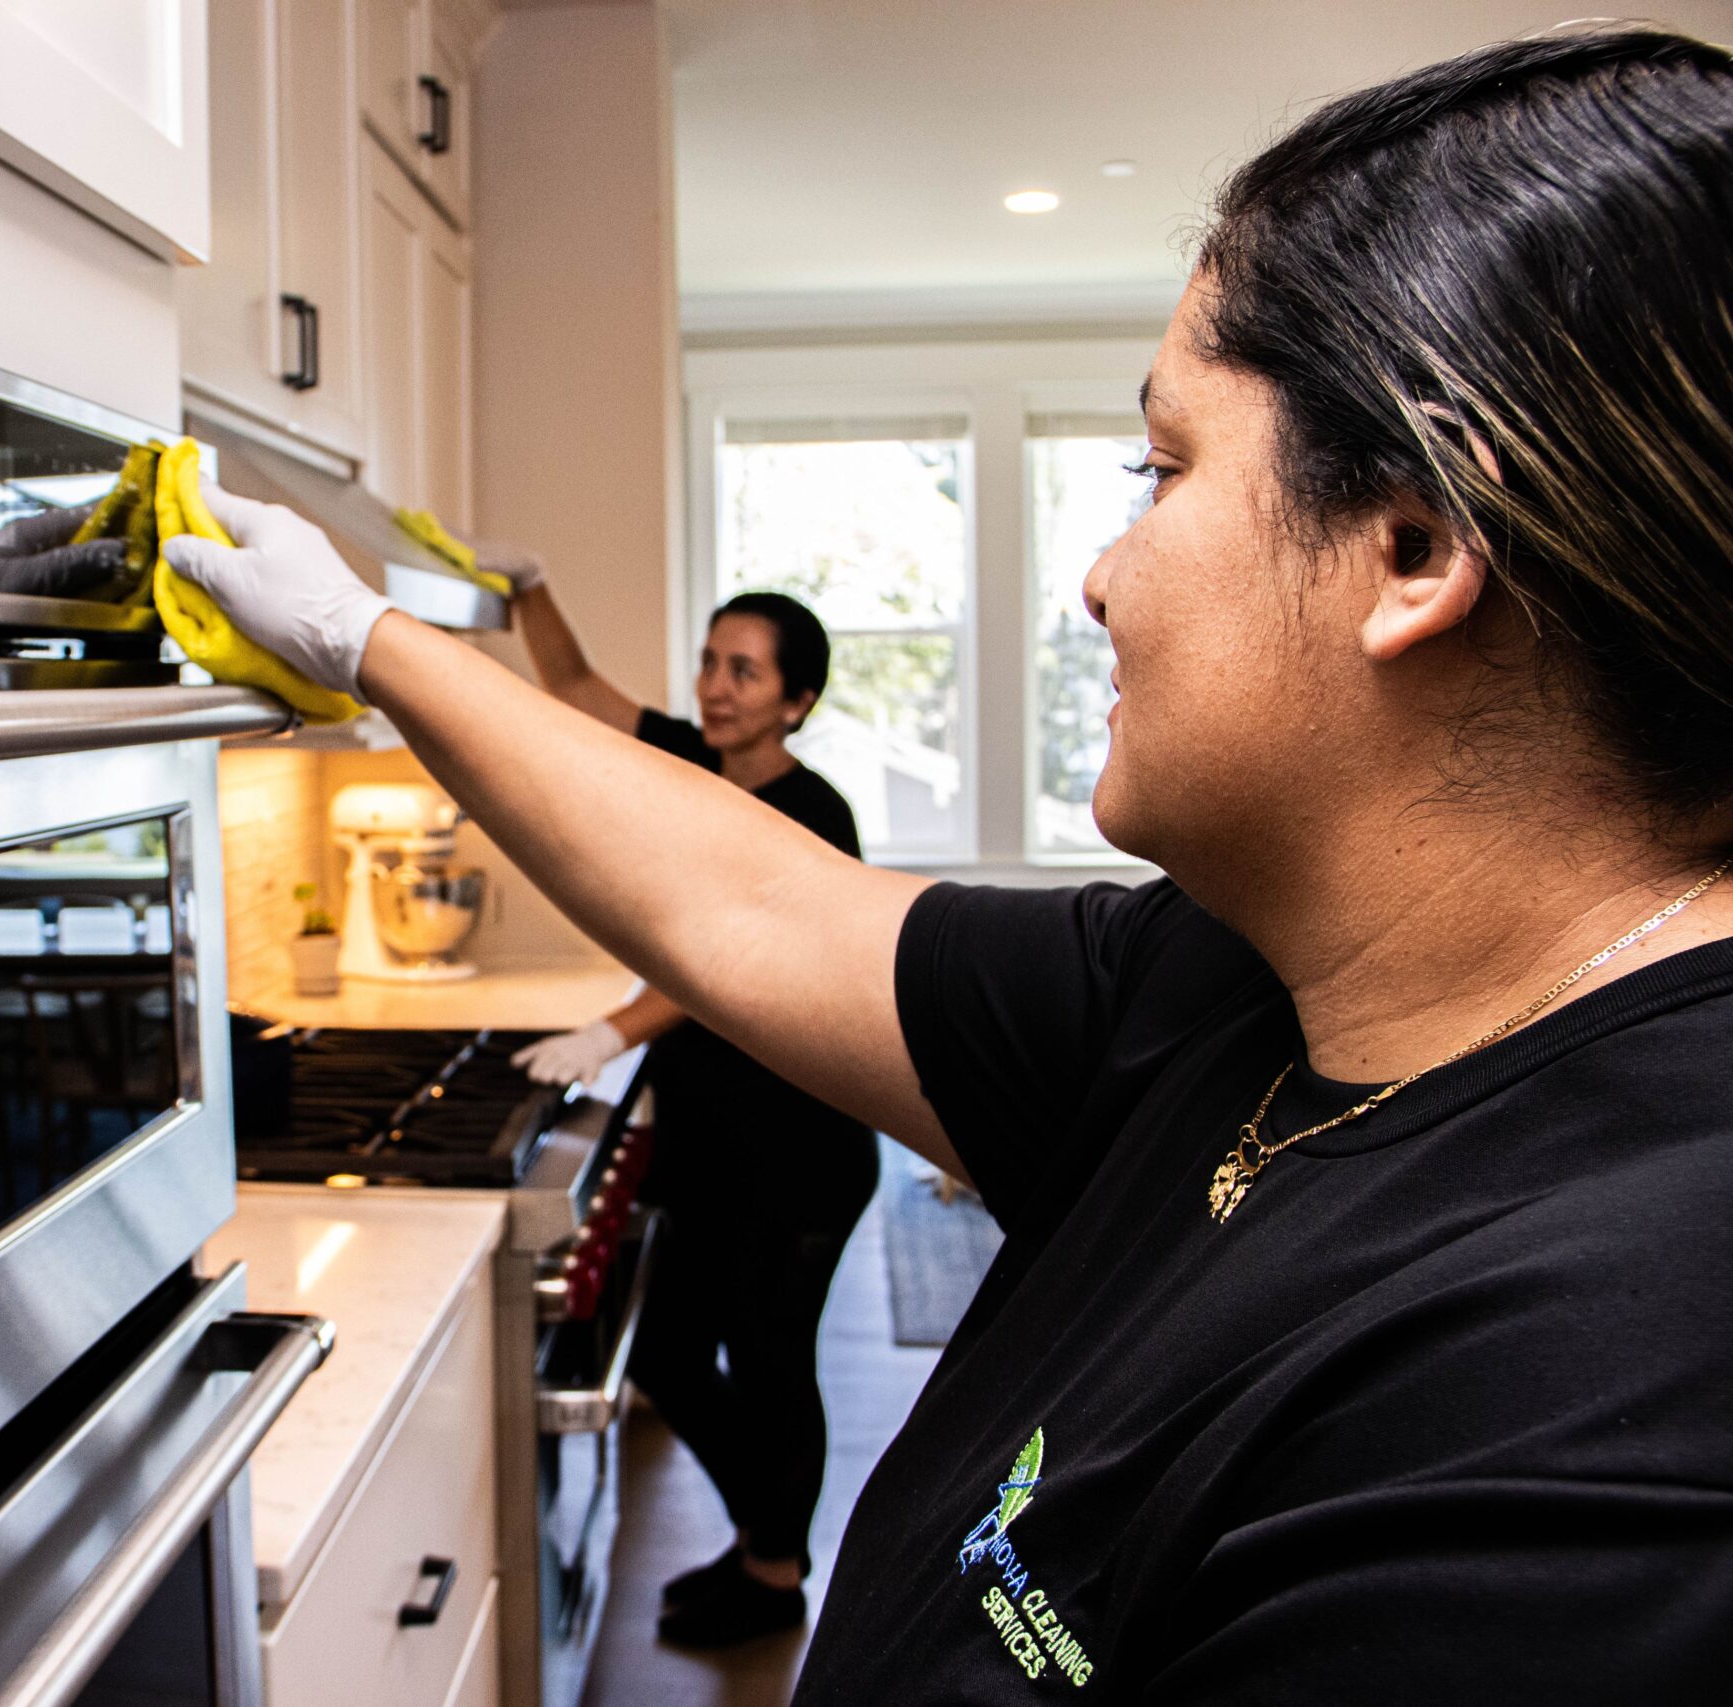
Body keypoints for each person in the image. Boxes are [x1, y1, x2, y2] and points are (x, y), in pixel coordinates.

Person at [162, 27, 1733, 1699]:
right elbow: (746, 896)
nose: (1103, 580)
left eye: (1166, 467)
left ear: (1412, 546)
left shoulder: (1611, 1423)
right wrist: (371, 640)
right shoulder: (1224, 981)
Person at [491, 572, 875, 1646]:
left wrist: (608, 1032)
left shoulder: (812, 814)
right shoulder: (694, 767)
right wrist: (525, 589)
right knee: (664, 1351)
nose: (714, 687)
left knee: (768, 1362)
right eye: (710, 662)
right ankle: (766, 1542)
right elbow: (569, 685)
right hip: (713, 1144)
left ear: (795, 700)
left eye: (742, 672)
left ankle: (771, 1571)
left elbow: (721, 957)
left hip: (799, 1154)